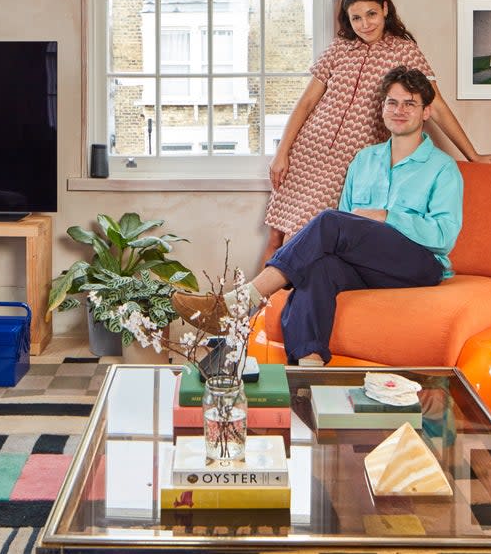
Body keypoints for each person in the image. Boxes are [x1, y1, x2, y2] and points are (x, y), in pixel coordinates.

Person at [175, 66, 462, 366]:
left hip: (418, 265)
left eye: (410, 103)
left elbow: (444, 236)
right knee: (318, 268)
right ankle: (309, 369)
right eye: (392, 102)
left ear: (426, 112)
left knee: (329, 220)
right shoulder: (363, 160)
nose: (399, 110)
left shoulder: (442, 168)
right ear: (382, 107)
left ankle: (242, 300)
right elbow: (348, 230)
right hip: (368, 265)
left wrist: (387, 216)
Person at [262, 0, 491, 265]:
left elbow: (436, 105)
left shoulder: (404, 52)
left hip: (347, 163)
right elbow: (305, 103)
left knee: (303, 240)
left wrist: (473, 154)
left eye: (371, 14)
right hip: (307, 154)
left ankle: (288, 307)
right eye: (356, 17)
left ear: (384, 9)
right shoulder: (339, 48)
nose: (364, 24)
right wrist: (282, 153)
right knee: (275, 237)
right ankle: (256, 310)